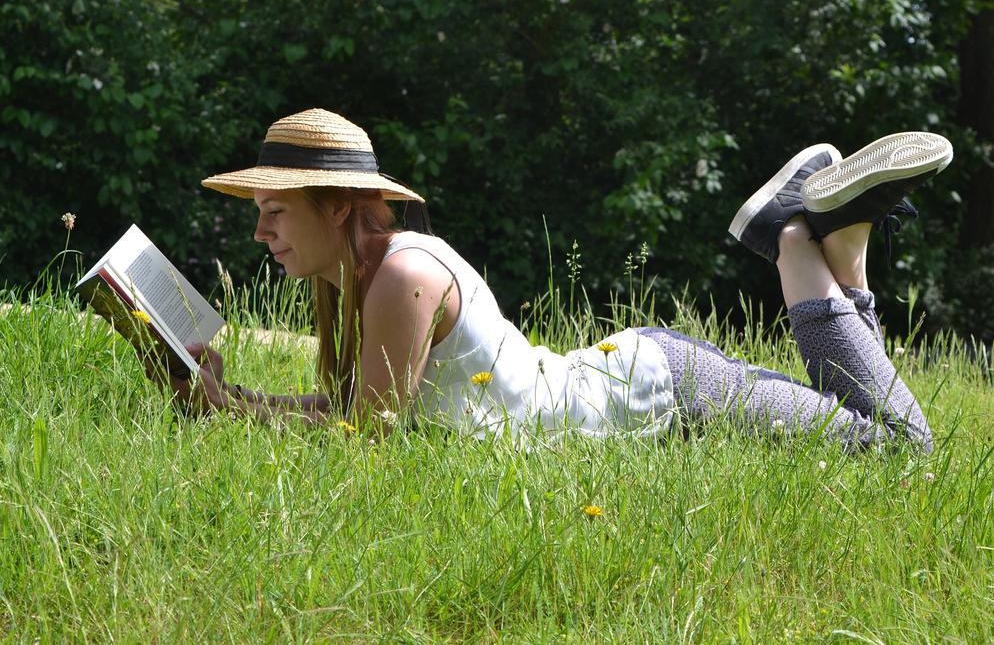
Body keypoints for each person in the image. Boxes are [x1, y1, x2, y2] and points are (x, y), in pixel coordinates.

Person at [156, 109, 951, 451]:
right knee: (869, 430)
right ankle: (843, 249)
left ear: (335, 209)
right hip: (638, 380)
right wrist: (227, 401)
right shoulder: (358, 279)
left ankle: (789, 239)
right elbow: (347, 410)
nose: (259, 230)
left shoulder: (402, 274)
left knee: (901, 448)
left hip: (667, 391)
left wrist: (226, 410)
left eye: (274, 211)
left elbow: (365, 439)